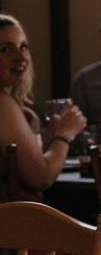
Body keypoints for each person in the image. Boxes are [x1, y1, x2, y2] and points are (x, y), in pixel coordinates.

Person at [0, 13, 87, 197]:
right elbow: (41, 177)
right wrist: (65, 135)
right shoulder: (2, 104)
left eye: (23, 47)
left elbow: (21, 167)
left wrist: (48, 140)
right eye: (6, 50)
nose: (20, 57)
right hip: (11, 222)